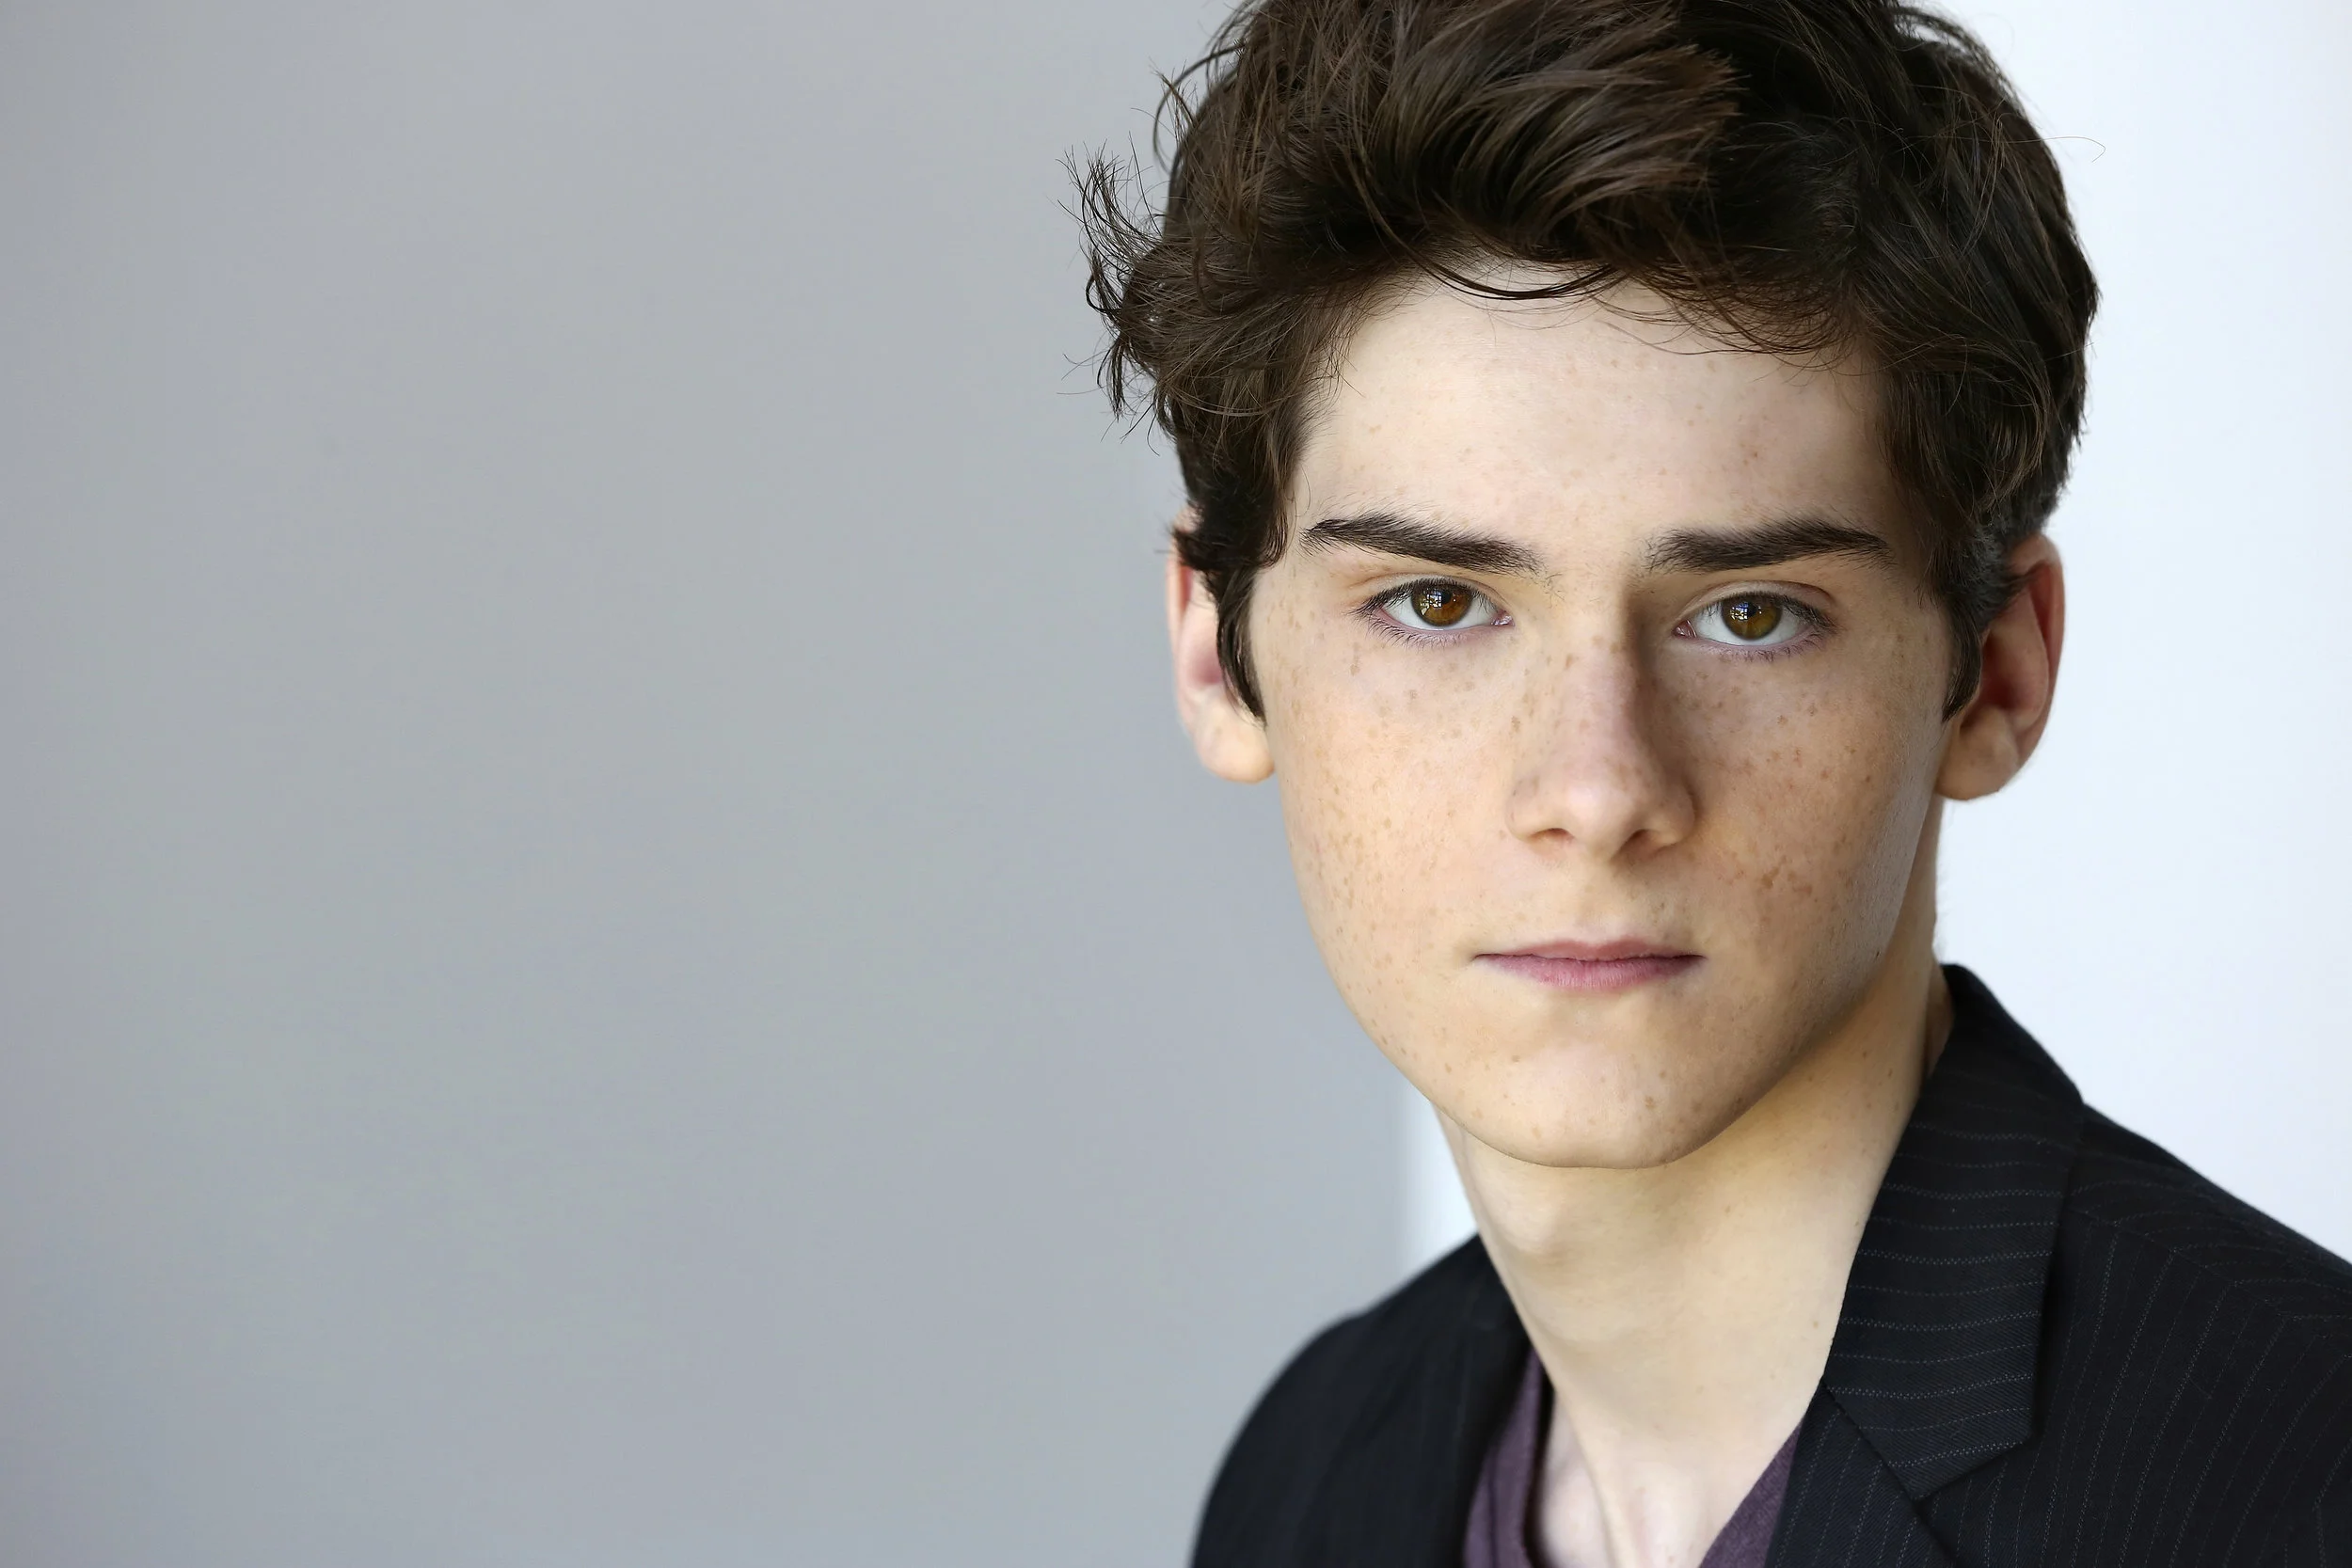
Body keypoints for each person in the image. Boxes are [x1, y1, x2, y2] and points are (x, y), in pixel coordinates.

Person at [1077, 1, 2352, 1563]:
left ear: (1996, 677)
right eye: (1437, 602)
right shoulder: (1315, 1475)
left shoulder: (2296, 1483)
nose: (1598, 787)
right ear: (1216, 655)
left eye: (1749, 616)